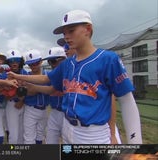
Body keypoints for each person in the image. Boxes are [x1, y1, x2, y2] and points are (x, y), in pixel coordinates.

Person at [8, 9, 142, 144]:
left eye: (71, 31)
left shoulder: (108, 59)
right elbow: (46, 79)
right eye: (64, 33)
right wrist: (17, 76)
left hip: (92, 134)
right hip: (67, 127)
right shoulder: (67, 63)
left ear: (88, 29)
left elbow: (126, 100)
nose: (66, 36)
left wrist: (135, 142)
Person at [22, 49, 49, 144]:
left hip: (44, 109)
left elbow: (52, 90)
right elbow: (28, 92)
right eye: (30, 64)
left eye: (36, 63)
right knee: (29, 137)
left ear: (41, 61)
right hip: (30, 109)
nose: (33, 66)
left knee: (40, 135)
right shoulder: (26, 76)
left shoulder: (48, 74)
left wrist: (34, 88)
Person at [4, 49, 27, 144]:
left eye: (17, 60)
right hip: (11, 105)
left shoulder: (24, 72)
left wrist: (22, 101)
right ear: (8, 63)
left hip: (25, 104)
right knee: (14, 135)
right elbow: (5, 93)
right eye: (11, 61)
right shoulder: (5, 74)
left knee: (22, 133)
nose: (14, 63)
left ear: (20, 61)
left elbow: (29, 89)